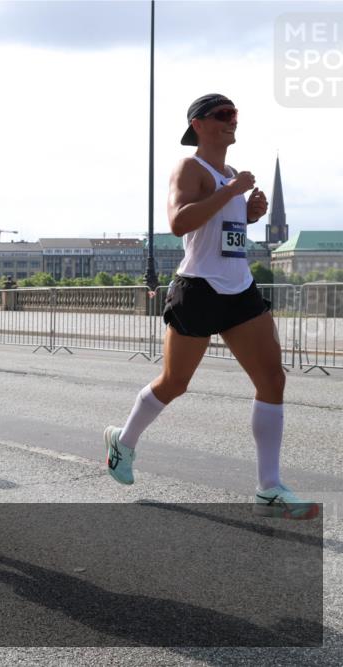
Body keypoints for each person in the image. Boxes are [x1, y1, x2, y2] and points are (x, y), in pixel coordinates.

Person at [103, 94, 317, 520]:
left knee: (273, 379)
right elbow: (179, 221)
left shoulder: (231, 174)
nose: (231, 121)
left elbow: (222, 232)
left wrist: (249, 212)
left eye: (235, 114)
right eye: (223, 115)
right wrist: (233, 193)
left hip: (240, 290)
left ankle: (268, 487)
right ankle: (123, 443)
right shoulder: (190, 168)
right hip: (198, 289)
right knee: (174, 382)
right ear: (198, 124)